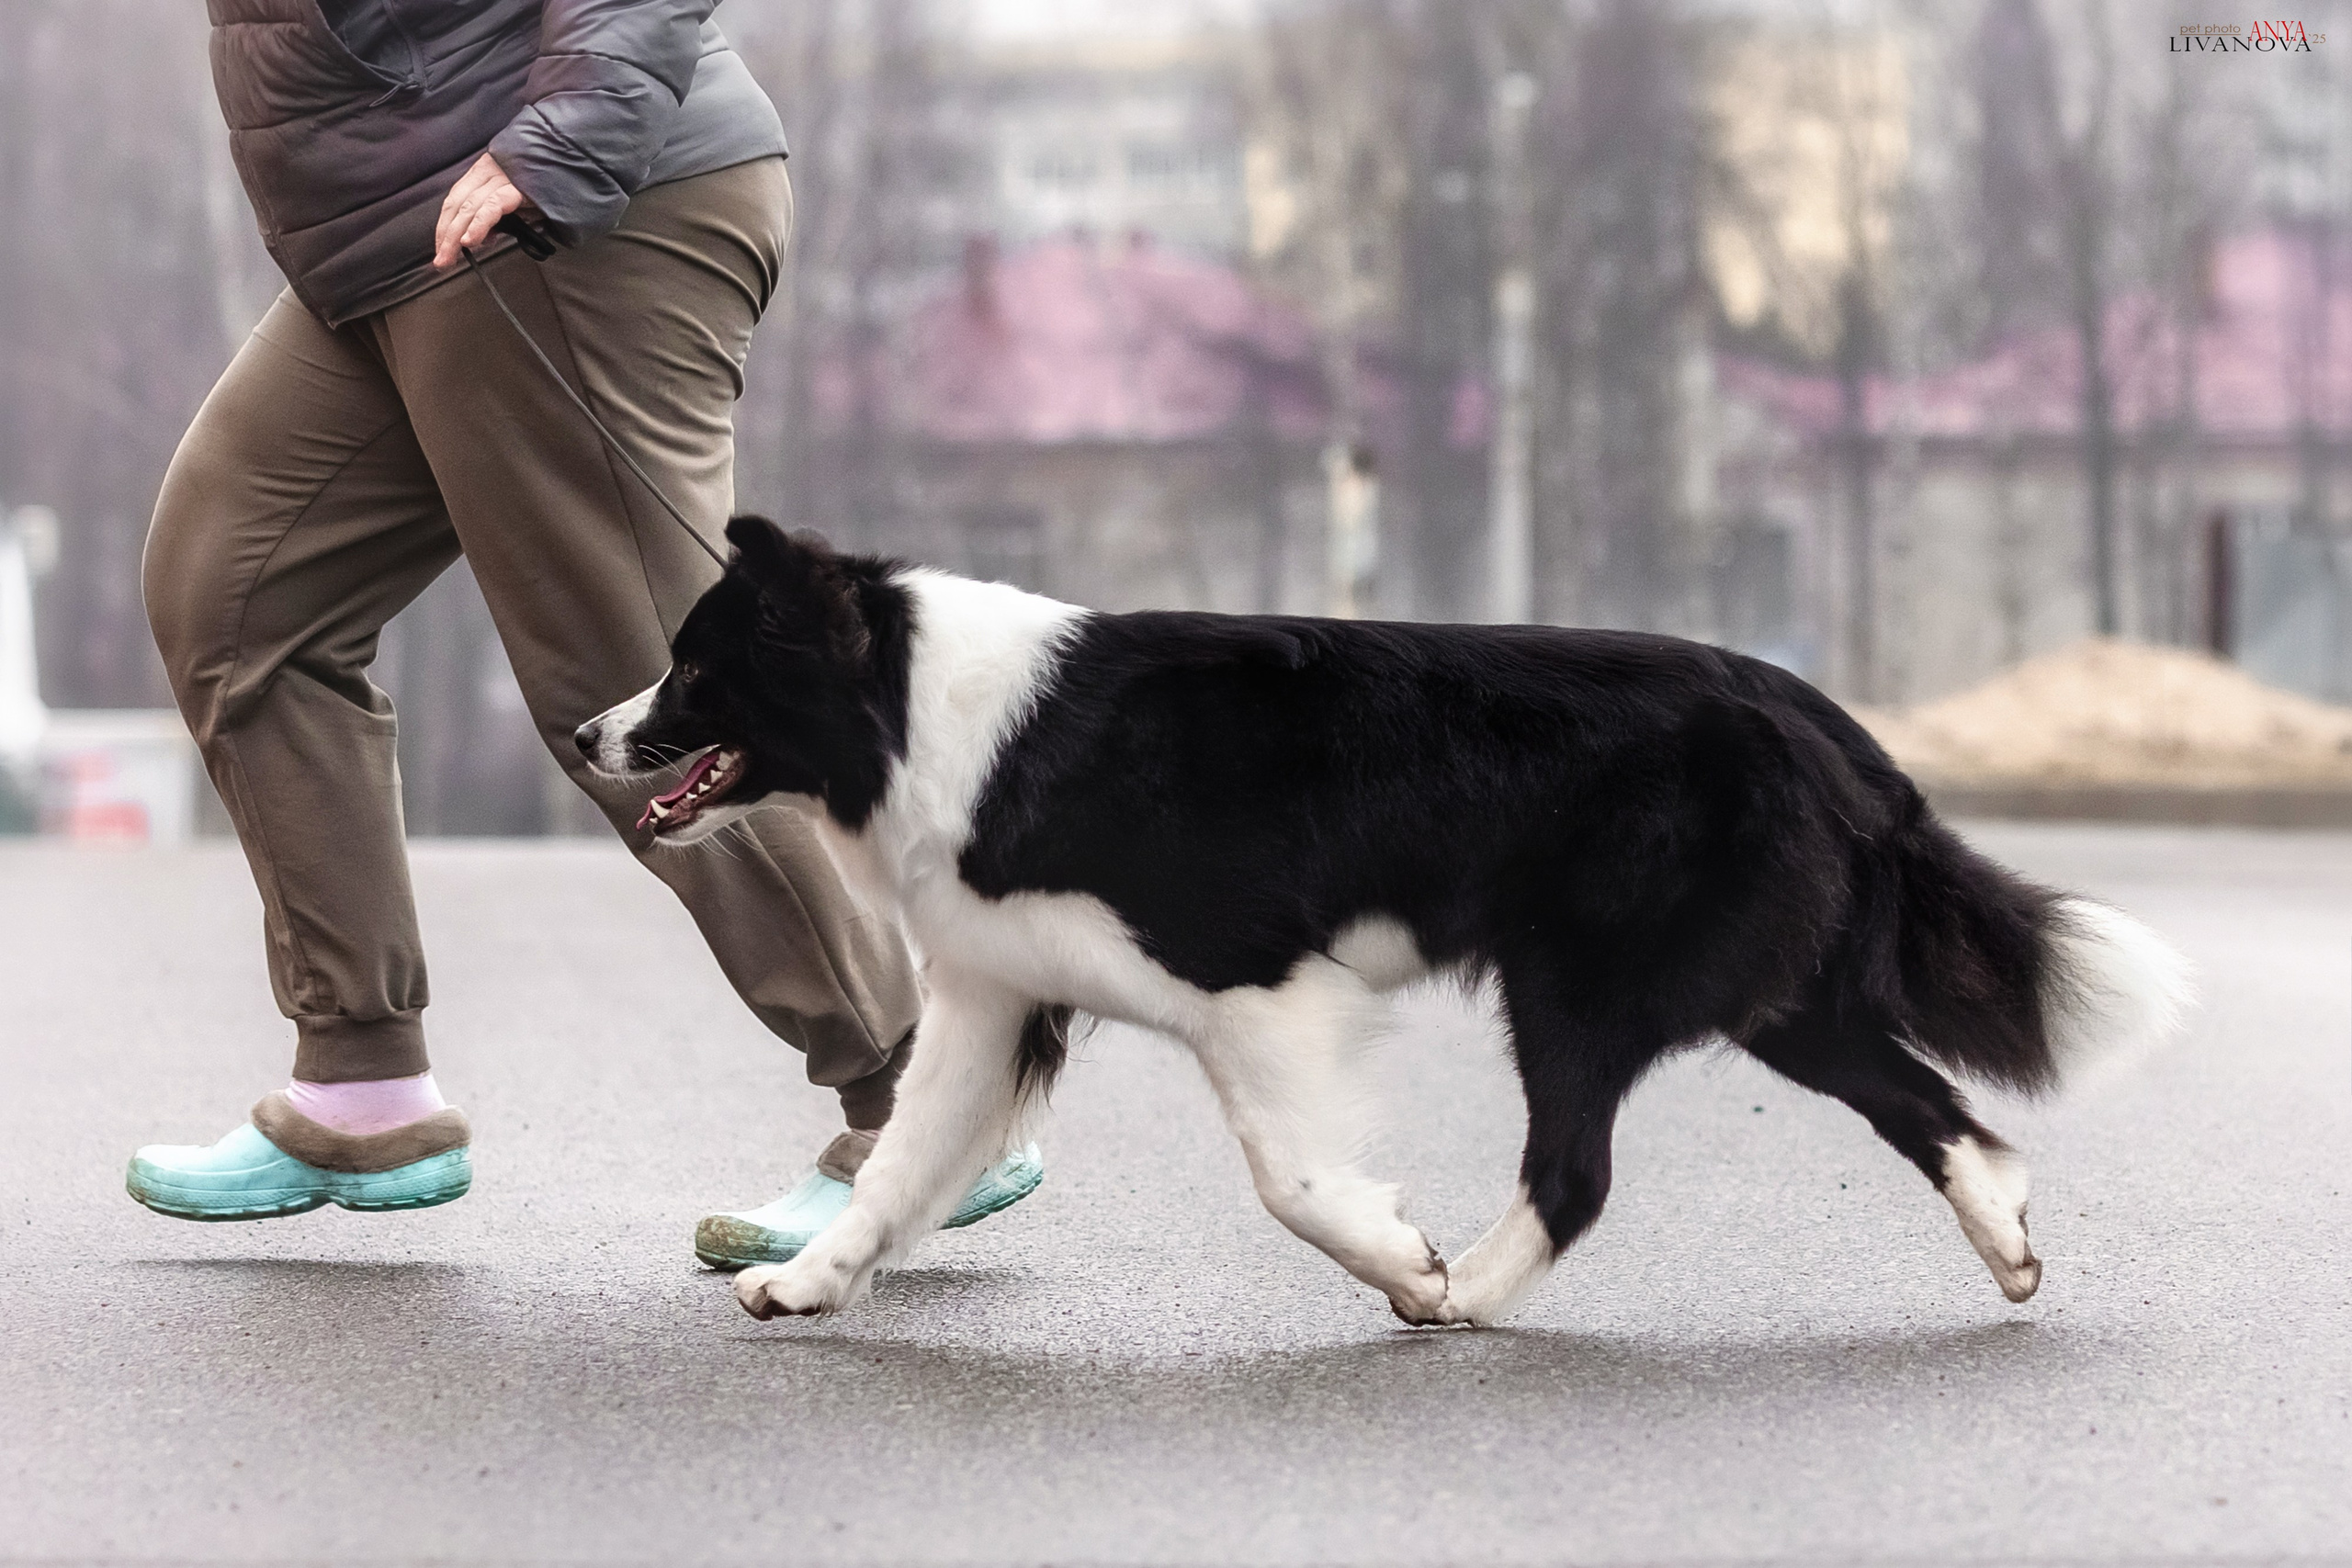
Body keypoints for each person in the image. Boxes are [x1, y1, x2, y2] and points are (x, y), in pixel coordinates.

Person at [123, 0, 1042, 1263]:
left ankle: (926, 1104)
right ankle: (360, 1079)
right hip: (390, 236)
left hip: (560, 204)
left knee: (658, 700)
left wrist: (560, 142)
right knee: (237, 601)